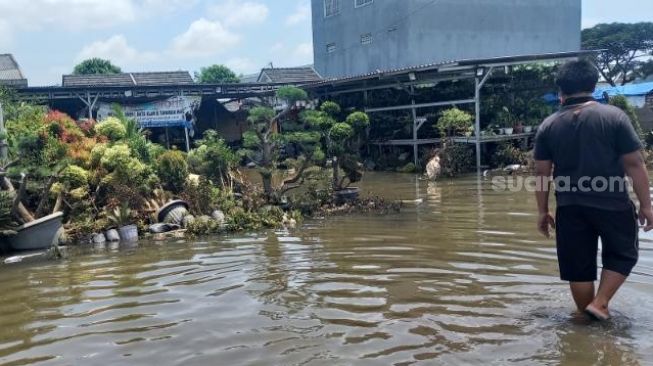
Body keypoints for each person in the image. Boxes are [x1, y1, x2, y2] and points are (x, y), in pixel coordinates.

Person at [533, 59, 653, 321]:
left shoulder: (548, 126)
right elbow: (634, 164)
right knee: (624, 253)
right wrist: (646, 205)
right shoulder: (614, 117)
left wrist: (542, 211)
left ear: (561, 91)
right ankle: (600, 303)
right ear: (592, 84)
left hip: (569, 207)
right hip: (612, 203)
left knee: (578, 268)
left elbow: (542, 173)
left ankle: (587, 318)